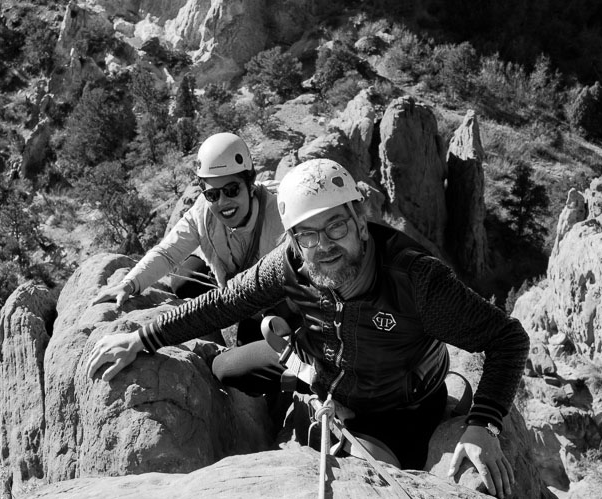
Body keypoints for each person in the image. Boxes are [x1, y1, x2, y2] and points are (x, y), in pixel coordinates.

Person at [87, 159, 529, 498]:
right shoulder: (292, 264)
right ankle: (301, 402)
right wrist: (141, 338)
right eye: (308, 234)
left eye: (335, 224)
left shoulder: (415, 280)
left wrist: (483, 424)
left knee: (366, 477)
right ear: (294, 239)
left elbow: (508, 338)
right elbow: (223, 303)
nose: (324, 245)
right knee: (226, 369)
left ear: (359, 219)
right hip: (324, 374)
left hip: (396, 407)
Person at [90, 132, 284, 344]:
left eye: (231, 190)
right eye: (213, 194)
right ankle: (214, 339)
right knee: (183, 282)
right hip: (232, 275)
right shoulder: (203, 213)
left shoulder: (281, 217)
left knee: (247, 346)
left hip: (271, 294)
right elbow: (167, 253)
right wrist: (129, 284)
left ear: (250, 183)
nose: (223, 202)